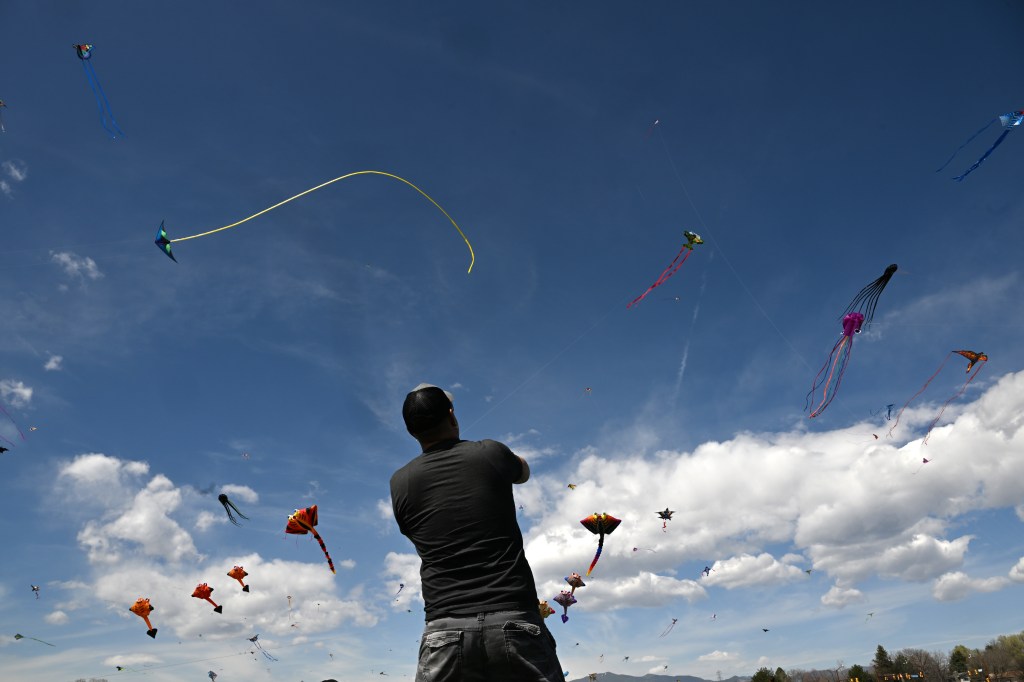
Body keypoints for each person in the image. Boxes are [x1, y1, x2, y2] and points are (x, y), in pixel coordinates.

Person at [390, 384, 563, 682]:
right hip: (514, 620)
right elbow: (523, 472)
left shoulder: (399, 483)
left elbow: (414, 532)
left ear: (411, 432)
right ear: (452, 416)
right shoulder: (490, 453)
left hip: (444, 630)